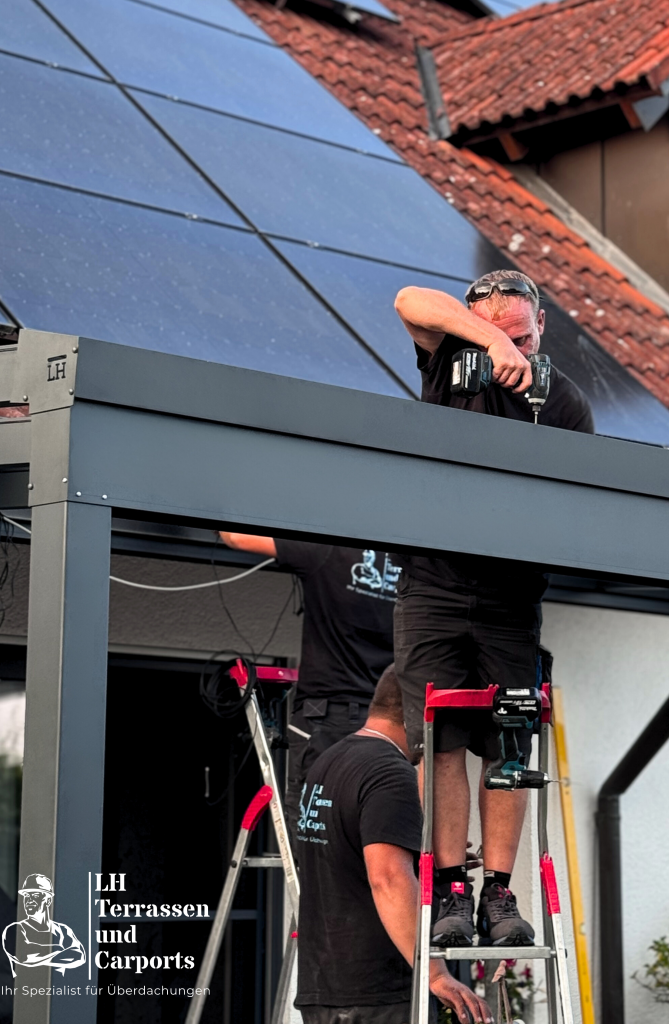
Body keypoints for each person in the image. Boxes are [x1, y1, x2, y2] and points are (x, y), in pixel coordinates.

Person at [391, 270, 594, 948]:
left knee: (510, 740)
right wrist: (483, 337)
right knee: (439, 740)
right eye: (504, 337)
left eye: (525, 337)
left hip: (510, 597)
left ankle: (499, 895)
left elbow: (575, 500)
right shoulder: (451, 355)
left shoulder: (563, 399)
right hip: (432, 585)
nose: (515, 351)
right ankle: (450, 888)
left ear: (544, 327)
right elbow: (408, 302)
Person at [294, 666, 492, 1024]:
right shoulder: (389, 772)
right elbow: (387, 877)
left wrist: (416, 856)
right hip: (379, 995)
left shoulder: (329, 762)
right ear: (419, 712)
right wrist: (434, 973)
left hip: (326, 989)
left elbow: (346, 853)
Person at [218, 534, 398, 836]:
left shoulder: (329, 549)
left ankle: (314, 883)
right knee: (366, 819)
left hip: (327, 718)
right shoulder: (409, 566)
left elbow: (237, 538)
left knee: (314, 825)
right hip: (386, 723)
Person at [2, 873, 86, 977]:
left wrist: (40, 956)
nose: (29, 900)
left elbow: (79, 955)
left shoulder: (62, 930)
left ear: (48, 900)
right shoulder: (14, 929)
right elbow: (25, 955)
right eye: (26, 895)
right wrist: (62, 950)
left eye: (35, 895)